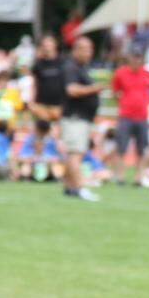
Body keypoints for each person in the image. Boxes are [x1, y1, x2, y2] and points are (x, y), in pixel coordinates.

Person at [60, 36, 104, 201]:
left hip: (81, 117)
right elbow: (71, 90)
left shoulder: (82, 67)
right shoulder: (71, 67)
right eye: (86, 49)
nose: (89, 52)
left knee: (76, 152)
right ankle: (79, 187)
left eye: (91, 49)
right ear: (76, 49)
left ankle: (69, 186)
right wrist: (94, 89)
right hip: (74, 117)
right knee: (75, 153)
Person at [111, 47, 149, 187]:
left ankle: (139, 177)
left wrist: (146, 101)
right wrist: (123, 102)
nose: (137, 59)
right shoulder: (121, 73)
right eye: (134, 56)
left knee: (141, 148)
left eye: (139, 56)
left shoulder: (148, 74)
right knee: (121, 147)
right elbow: (115, 91)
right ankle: (119, 176)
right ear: (129, 57)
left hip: (142, 116)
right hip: (126, 115)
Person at [31, 35, 65, 124]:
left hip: (59, 105)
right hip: (42, 105)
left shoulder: (63, 61)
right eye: (44, 45)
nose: (47, 47)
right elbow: (34, 84)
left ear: (55, 45)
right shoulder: (38, 64)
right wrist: (32, 103)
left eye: (49, 44)